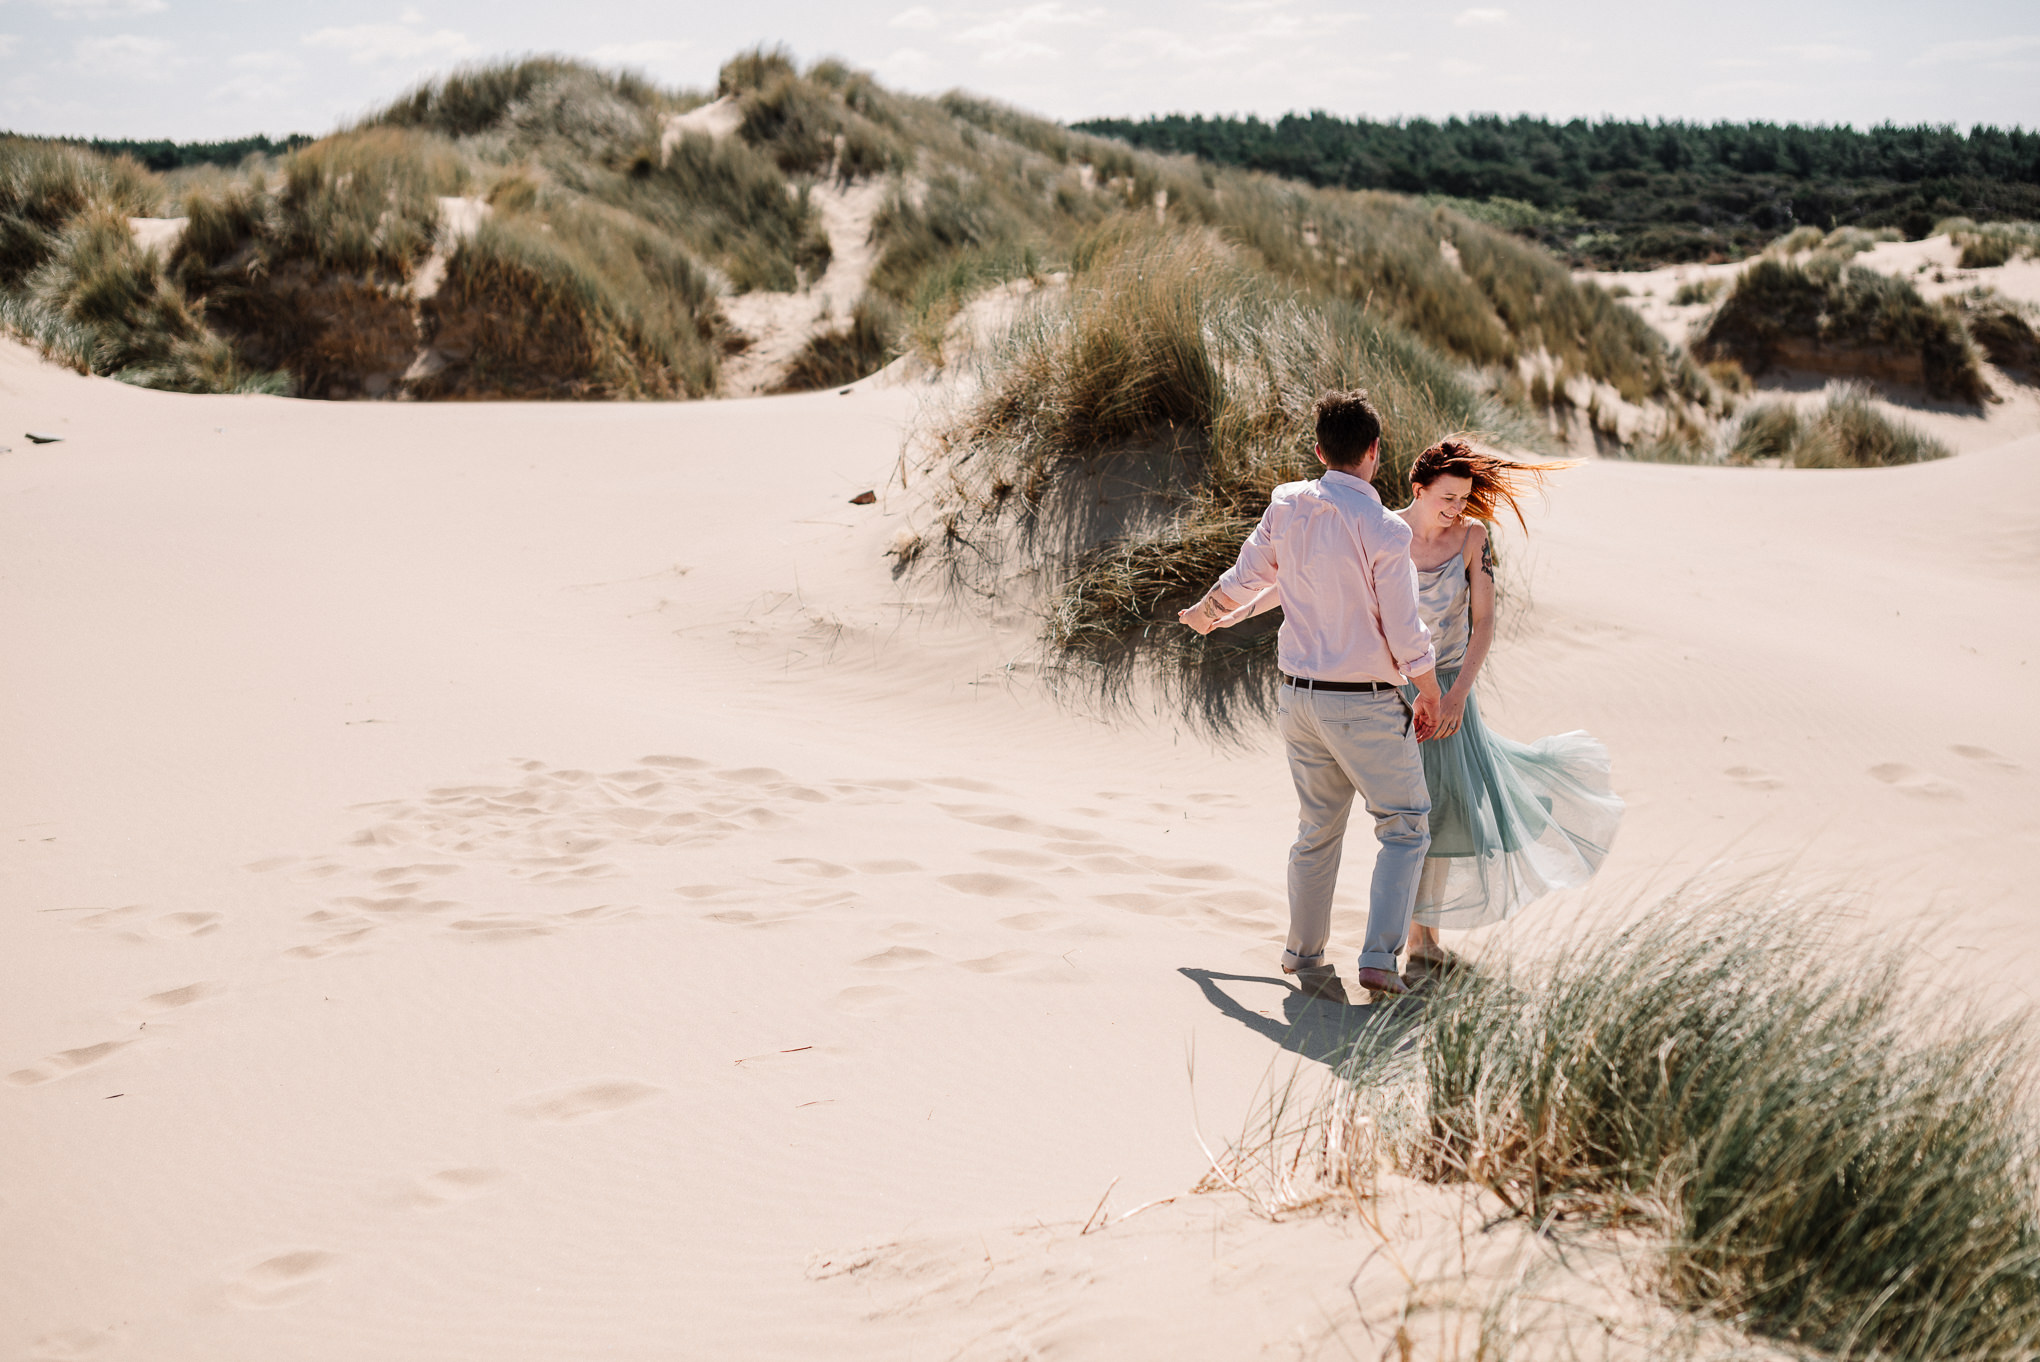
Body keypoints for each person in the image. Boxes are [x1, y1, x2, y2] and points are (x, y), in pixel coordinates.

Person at [1178, 390, 1441, 1003]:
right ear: (1374, 452)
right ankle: (1378, 959)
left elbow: (1247, 577)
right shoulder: (1385, 530)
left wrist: (1206, 613)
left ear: (1320, 451)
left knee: (1317, 828)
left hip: (1299, 700)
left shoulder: (1289, 505)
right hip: (1367, 702)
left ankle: (1302, 952)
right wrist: (1428, 692)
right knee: (1405, 827)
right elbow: (1405, 632)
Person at [1393, 438, 1623, 981]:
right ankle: (1407, 938)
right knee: (1406, 817)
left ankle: (1423, 941)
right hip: (1395, 692)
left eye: (1464, 498)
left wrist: (1456, 695)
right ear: (1418, 487)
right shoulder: (1383, 531)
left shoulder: (1475, 538)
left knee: (1445, 814)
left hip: (1449, 693)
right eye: (1447, 497)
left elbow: (1485, 622)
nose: (1456, 508)